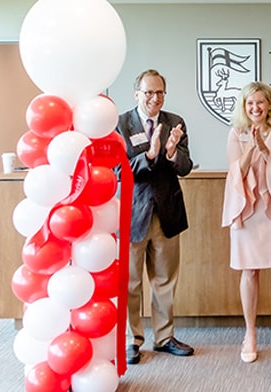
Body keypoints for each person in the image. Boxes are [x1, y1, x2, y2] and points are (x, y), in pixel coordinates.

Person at [117, 69, 195, 364]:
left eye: (160, 92)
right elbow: (117, 171)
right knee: (130, 282)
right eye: (149, 92)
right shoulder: (120, 124)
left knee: (164, 280)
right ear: (137, 94)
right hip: (132, 213)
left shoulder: (175, 122)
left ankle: (164, 337)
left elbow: (185, 166)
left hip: (167, 213)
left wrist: (172, 152)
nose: (155, 98)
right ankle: (130, 340)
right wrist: (148, 156)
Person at [222, 82, 271, 363]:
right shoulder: (236, 132)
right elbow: (236, 174)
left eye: (260, 102)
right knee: (250, 272)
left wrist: (264, 148)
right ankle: (250, 334)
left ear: (269, 104)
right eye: (250, 103)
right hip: (248, 210)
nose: (255, 108)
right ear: (244, 107)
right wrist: (250, 149)